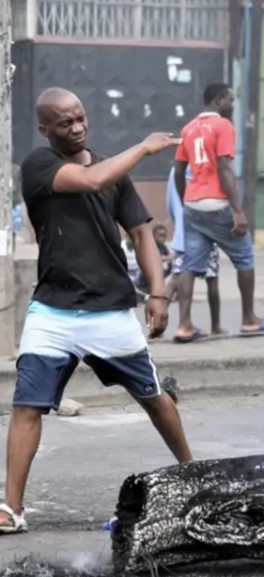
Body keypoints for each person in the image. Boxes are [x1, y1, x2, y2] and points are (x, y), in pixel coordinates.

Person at [2, 87, 194, 534]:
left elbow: (142, 234)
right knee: (26, 406)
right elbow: (89, 181)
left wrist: (158, 293)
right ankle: (11, 509)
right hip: (53, 309)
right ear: (45, 129)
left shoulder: (113, 171)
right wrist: (145, 147)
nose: (76, 127)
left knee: (154, 398)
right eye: (65, 122)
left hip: (110, 309)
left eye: (80, 118)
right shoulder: (39, 166)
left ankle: (192, 473)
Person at [172, 82, 264, 343]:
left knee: (190, 265)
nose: (233, 104)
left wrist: (186, 198)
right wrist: (238, 211)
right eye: (230, 99)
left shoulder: (188, 128)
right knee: (244, 257)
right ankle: (249, 319)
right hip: (217, 204)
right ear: (218, 101)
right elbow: (224, 169)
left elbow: (178, 171)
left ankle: (184, 325)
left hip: (192, 205)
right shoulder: (223, 126)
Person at [165, 164, 224, 336]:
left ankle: (155, 326)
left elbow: (169, 202)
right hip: (203, 231)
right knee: (212, 279)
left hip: (183, 233)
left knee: (175, 279)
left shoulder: (175, 169)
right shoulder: (204, 165)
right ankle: (214, 326)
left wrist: (179, 226)